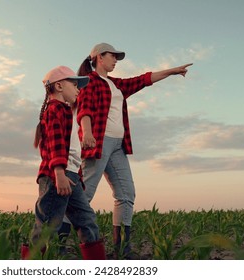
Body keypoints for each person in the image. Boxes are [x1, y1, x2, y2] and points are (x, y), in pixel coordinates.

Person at [60, 43, 193, 259]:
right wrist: (87, 133)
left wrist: (171, 71)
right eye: (113, 56)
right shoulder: (90, 81)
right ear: (99, 58)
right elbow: (84, 108)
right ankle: (58, 246)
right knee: (83, 194)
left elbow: (142, 80)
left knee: (126, 194)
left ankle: (122, 250)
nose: (115, 60)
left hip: (118, 147)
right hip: (99, 143)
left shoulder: (116, 85)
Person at [22, 65, 106, 260]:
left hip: (71, 176)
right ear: (59, 86)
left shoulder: (65, 111)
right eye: (74, 84)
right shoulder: (54, 110)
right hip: (56, 177)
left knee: (87, 220)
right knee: (47, 225)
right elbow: (55, 144)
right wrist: (59, 173)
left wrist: (73, 174)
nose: (78, 89)